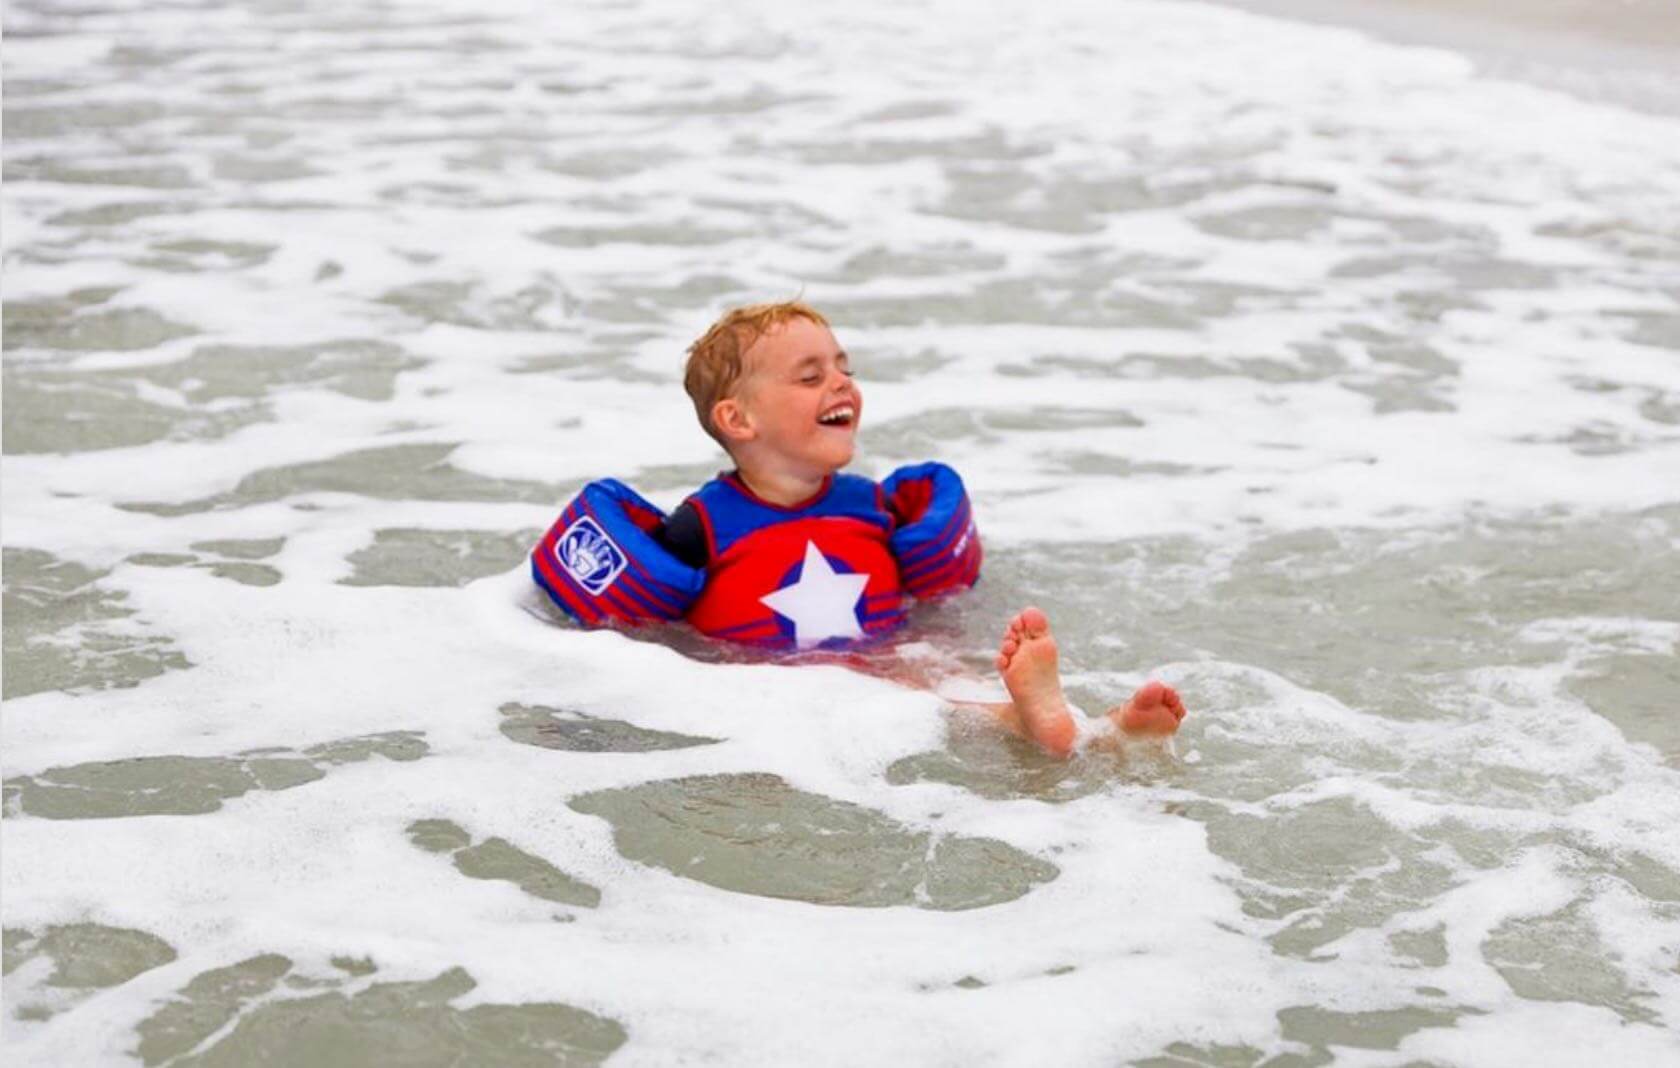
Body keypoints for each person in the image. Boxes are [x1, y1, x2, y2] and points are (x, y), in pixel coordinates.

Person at [531, 300, 1185, 756]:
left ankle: (1078, 728)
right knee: (918, 705)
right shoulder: (699, 528)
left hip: (880, 663)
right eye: (811, 376)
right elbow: (639, 637)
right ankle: (1055, 728)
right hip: (759, 687)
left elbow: (930, 603)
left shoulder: (872, 507)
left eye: (845, 368)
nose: (841, 383)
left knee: (934, 696)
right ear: (738, 420)